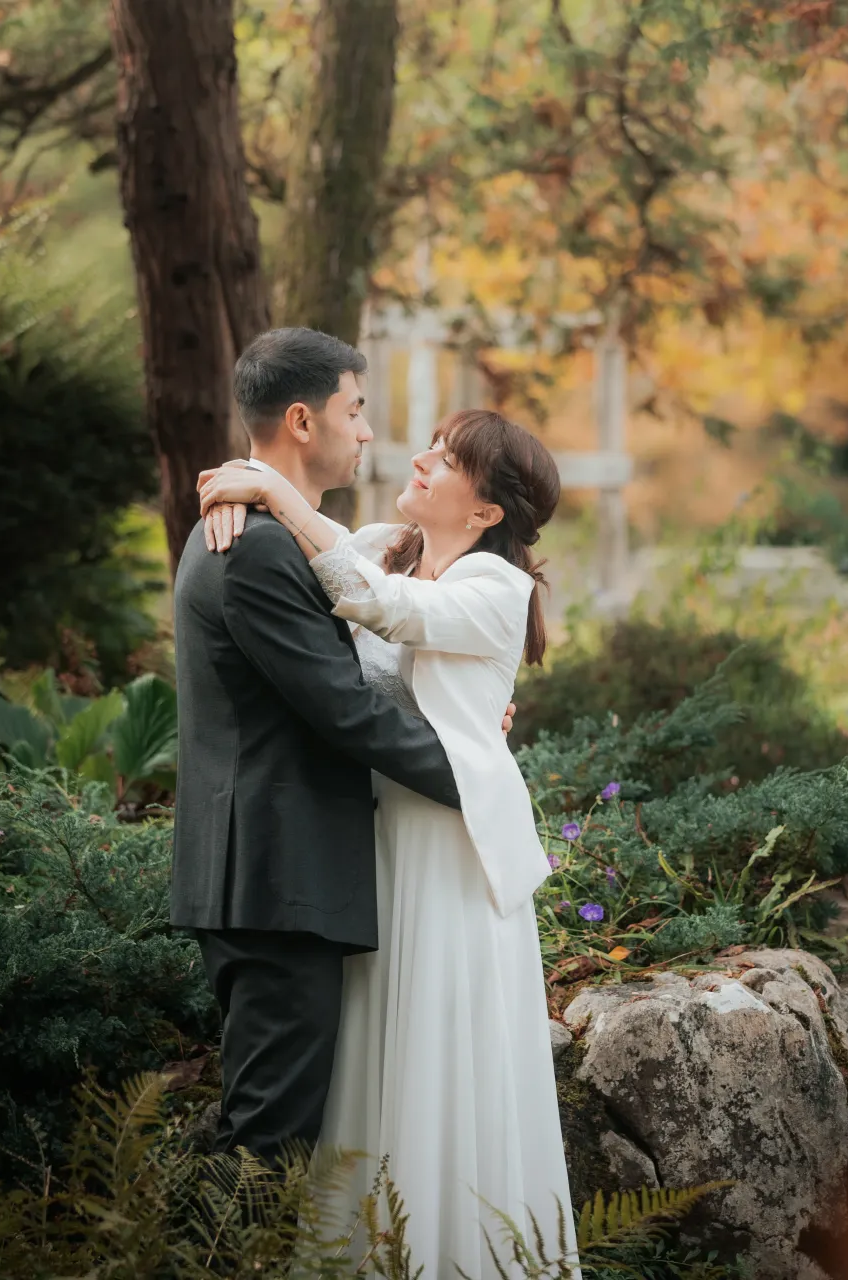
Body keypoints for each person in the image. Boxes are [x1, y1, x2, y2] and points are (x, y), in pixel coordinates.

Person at [196, 406, 578, 1279]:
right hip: (373, 845)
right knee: (373, 1049)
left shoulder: (497, 588)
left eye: (446, 460)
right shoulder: (380, 544)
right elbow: (323, 562)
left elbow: (379, 608)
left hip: (451, 849)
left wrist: (268, 491)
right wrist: (241, 491)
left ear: (485, 511)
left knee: (440, 1051)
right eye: (431, 447)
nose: (420, 461)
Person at [170, 327, 467, 1166]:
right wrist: (472, 771)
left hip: (271, 878)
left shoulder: (265, 530)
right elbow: (342, 709)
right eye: (355, 409)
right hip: (273, 878)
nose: (367, 431)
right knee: (266, 1144)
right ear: (303, 421)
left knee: (272, 1128)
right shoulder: (252, 547)